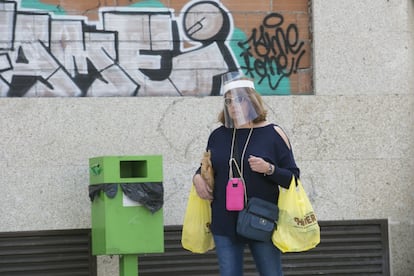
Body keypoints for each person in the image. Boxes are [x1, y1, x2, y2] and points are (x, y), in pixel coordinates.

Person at [192, 71, 300, 276]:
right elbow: (208, 167)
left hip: (262, 219)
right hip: (224, 221)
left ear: (252, 101)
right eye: (228, 100)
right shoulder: (218, 135)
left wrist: (269, 169)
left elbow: (293, 178)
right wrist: (197, 177)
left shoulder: (273, 133)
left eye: (239, 99)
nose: (233, 105)